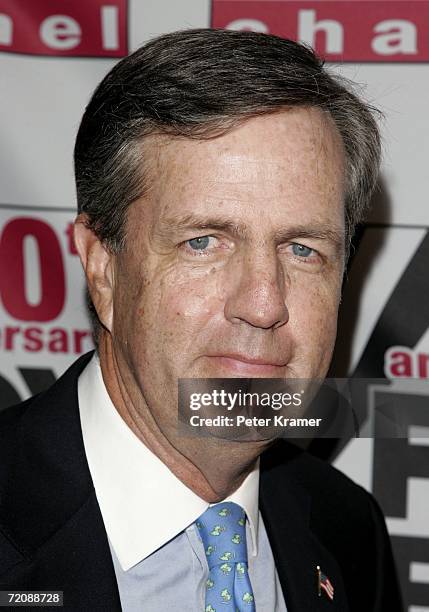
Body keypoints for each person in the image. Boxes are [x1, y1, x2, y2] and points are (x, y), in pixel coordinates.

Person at [0, 29, 402, 611]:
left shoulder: (347, 527)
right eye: (204, 242)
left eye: (303, 249)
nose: (264, 305)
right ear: (103, 268)